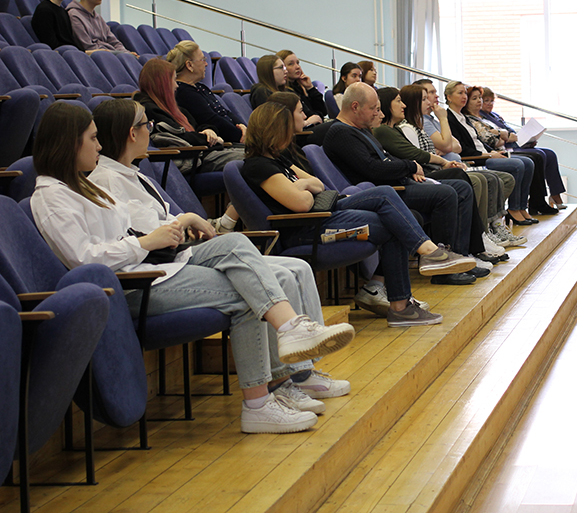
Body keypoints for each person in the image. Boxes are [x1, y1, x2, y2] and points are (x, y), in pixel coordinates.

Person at [30, 102, 356, 434]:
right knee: (249, 294)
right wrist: (146, 242)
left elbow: (128, 230)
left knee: (235, 243)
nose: (98, 146)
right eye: (91, 138)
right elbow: (84, 259)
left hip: (153, 266)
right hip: (133, 284)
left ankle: (289, 337)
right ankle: (261, 400)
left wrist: (168, 230)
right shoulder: (51, 196)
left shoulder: (81, 185)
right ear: (70, 142)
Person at [242, 96, 476, 325]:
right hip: (309, 230)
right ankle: (407, 296)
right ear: (274, 130)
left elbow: (318, 185)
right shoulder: (258, 166)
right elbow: (302, 204)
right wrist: (304, 187)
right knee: (393, 221)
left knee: (384, 194)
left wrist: (302, 186)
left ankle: (425, 263)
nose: (290, 133)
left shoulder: (279, 159)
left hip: (325, 213)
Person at [323, 83, 485, 285]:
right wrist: (409, 166)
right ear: (355, 106)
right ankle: (442, 265)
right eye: (373, 108)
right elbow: (372, 169)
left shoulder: (360, 129)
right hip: (383, 192)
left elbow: (386, 158)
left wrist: (409, 167)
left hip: (393, 184)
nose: (378, 114)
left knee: (460, 187)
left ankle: (458, 256)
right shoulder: (341, 133)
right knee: (446, 194)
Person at [373, 87, 506, 264]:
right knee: (462, 181)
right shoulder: (388, 130)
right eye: (398, 101)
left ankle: (477, 240)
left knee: (476, 178)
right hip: (417, 177)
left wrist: (428, 161)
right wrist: (436, 160)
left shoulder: (398, 129)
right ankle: (470, 246)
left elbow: (454, 146)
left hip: (422, 172)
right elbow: (415, 154)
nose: (403, 105)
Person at [396, 83, 519, 252]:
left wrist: (445, 150)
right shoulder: (419, 124)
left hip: (453, 164)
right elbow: (442, 148)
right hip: (438, 170)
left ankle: (487, 231)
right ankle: (477, 238)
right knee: (479, 180)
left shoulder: (427, 122)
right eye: (426, 97)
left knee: (495, 178)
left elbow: (457, 146)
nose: (432, 99)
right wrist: (444, 124)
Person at [135, 59, 242, 232]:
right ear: (162, 83)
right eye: (173, 80)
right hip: (193, 160)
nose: (176, 85)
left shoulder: (172, 107)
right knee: (250, 159)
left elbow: (198, 126)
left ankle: (227, 220)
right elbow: (179, 138)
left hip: (203, 152)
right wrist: (205, 138)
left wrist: (208, 130)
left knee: (258, 154)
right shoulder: (150, 109)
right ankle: (226, 222)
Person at [445, 81, 537, 226]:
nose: (464, 96)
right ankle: (513, 209)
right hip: (477, 158)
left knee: (529, 162)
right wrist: (488, 155)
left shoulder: (463, 117)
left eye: (464, 93)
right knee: (517, 165)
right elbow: (463, 147)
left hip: (485, 154)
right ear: (449, 97)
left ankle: (521, 207)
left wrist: (491, 151)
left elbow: (478, 141)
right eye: (460, 93)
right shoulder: (448, 118)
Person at [464, 85, 554, 216]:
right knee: (524, 162)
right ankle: (515, 208)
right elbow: (492, 140)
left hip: (497, 151)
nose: (480, 101)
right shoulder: (470, 120)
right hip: (485, 156)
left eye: (480, 98)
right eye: (475, 99)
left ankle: (524, 206)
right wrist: (503, 136)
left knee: (539, 157)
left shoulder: (485, 118)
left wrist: (502, 134)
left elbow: (508, 134)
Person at [479, 86, 567, 210]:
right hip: (507, 149)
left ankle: (555, 194)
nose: (489, 104)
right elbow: (497, 137)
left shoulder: (495, 115)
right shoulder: (480, 118)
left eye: (492, 101)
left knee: (550, 154)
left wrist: (527, 141)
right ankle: (537, 198)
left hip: (516, 144)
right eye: (486, 101)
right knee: (539, 155)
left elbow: (510, 134)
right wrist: (508, 137)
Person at [166, 40, 247, 143]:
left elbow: (224, 112)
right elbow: (212, 120)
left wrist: (242, 126)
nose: (206, 64)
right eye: (202, 60)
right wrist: (242, 135)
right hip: (222, 142)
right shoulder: (183, 92)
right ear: (189, 65)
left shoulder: (200, 87)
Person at [66, 0, 135, 55]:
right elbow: (89, 47)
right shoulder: (74, 15)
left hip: (110, 54)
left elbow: (114, 42)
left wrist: (126, 53)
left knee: (134, 57)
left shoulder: (98, 18)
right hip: (100, 57)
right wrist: (119, 54)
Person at [278, 49, 328, 126]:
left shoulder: (299, 86)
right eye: (291, 64)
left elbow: (323, 111)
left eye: (297, 63)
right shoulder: (286, 92)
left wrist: (310, 88)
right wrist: (317, 115)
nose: (297, 67)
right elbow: (310, 115)